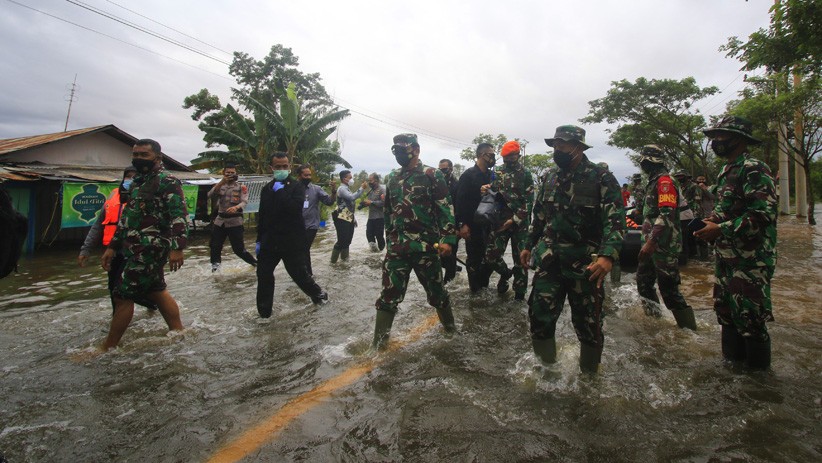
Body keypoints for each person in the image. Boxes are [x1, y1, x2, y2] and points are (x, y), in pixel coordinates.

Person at [519, 125, 624, 373]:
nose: (557, 149)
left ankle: (588, 380)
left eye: (563, 145)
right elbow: (540, 217)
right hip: (549, 260)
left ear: (578, 147)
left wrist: (608, 256)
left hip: (586, 264)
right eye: (555, 145)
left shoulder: (601, 177)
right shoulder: (548, 177)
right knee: (539, 317)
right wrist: (527, 246)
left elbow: (615, 221)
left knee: (589, 325)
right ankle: (548, 372)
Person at [694, 115, 777, 370]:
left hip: (751, 260)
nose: (717, 141)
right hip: (726, 257)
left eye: (722, 136)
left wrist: (721, 229)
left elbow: (763, 214)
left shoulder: (754, 168)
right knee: (727, 314)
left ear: (739, 139)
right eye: (714, 136)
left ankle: (760, 386)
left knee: (751, 320)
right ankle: (731, 375)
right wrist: (710, 222)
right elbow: (726, 208)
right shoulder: (726, 170)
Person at [372, 133, 457, 349]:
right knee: (388, 296)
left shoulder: (432, 174)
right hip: (397, 248)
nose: (398, 153)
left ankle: (451, 331)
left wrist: (448, 238)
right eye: (395, 150)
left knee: (437, 294)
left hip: (425, 247)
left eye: (402, 149)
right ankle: (378, 347)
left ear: (416, 150)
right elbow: (389, 211)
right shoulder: (392, 177)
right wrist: (389, 239)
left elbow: (445, 207)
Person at [100, 139, 187, 350]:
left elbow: (179, 215)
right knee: (156, 290)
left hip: (152, 246)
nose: (138, 159)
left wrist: (177, 248)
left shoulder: (168, 181)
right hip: (133, 245)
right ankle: (179, 333)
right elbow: (128, 217)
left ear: (158, 157)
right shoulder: (137, 181)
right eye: (136, 155)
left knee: (122, 294)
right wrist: (113, 246)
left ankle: (107, 348)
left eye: (144, 155)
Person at [256, 153, 328, 318]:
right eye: (278, 167)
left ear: (289, 167)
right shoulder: (266, 189)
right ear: (271, 168)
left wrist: (281, 192)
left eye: (285, 166)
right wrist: (259, 240)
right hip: (269, 241)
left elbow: (295, 209)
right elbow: (263, 216)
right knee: (263, 275)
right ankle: (264, 314)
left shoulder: (297, 187)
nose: (282, 169)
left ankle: (320, 295)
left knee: (299, 275)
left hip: (291, 241)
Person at [79, 166, 158, 312]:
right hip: (113, 250)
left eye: (135, 176)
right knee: (113, 286)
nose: (131, 179)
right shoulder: (113, 196)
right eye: (128, 176)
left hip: (137, 250)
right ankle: (118, 317)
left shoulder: (147, 196)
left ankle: (153, 305)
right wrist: (86, 249)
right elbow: (98, 225)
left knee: (128, 287)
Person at [635, 146, 697, 330]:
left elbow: (666, 214)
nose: (642, 164)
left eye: (644, 161)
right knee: (644, 283)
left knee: (669, 289)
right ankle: (655, 324)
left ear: (650, 161)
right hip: (650, 243)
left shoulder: (664, 182)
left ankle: (688, 333)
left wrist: (651, 241)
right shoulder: (653, 181)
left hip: (662, 244)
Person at [480, 140, 534, 300]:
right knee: (491, 255)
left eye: (510, 157)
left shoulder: (526, 173)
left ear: (517, 155)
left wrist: (515, 219)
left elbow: (529, 200)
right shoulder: (498, 172)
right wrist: (486, 189)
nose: (507, 160)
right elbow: (494, 191)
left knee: (521, 260)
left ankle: (519, 295)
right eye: (504, 157)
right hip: (500, 221)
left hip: (520, 223)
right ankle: (505, 274)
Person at [454, 143, 495, 293]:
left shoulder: (491, 175)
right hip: (472, 225)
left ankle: (484, 287)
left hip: (488, 224)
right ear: (481, 155)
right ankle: (475, 292)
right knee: (474, 258)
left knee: (491, 258)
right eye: (490, 155)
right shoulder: (468, 175)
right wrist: (462, 224)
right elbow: (459, 201)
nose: (493, 158)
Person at [207, 163, 257, 272]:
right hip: (220, 221)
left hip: (235, 221)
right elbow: (210, 195)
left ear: (236, 174)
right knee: (215, 246)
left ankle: (255, 264)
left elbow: (244, 201)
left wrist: (236, 207)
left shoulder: (241, 187)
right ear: (223, 173)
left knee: (238, 249)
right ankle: (215, 269)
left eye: (232, 173)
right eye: (227, 173)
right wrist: (222, 182)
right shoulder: (219, 186)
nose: (230, 174)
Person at [297, 164, 336, 277]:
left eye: (310, 175)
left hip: (311, 225)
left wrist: (333, 191)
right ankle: (304, 273)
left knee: (304, 248)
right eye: (306, 175)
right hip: (297, 225)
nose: (308, 177)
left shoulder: (316, 189)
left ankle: (307, 274)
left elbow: (329, 202)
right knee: (300, 250)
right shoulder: (293, 189)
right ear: (299, 176)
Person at [331, 170, 366, 263]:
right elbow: (352, 198)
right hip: (341, 217)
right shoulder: (342, 189)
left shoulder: (347, 188)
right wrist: (361, 188)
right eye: (350, 178)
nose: (352, 179)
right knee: (342, 240)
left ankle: (344, 263)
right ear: (344, 179)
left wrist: (353, 218)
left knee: (347, 241)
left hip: (348, 216)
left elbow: (350, 205)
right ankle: (333, 262)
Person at [438, 159, 460, 283]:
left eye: (444, 169)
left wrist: (458, 227)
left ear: (451, 169)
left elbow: (460, 207)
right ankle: (453, 268)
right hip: (438, 225)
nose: (442, 172)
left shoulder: (456, 185)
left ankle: (449, 285)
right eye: (440, 170)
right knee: (438, 256)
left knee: (450, 254)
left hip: (452, 225)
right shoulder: (437, 183)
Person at [673, 170, 703, 259]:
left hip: (692, 213)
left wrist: (696, 215)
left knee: (696, 236)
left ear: (686, 176)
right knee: (686, 236)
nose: (679, 178)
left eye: (681, 176)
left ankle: (698, 255)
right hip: (683, 214)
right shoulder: (680, 186)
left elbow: (698, 201)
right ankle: (690, 255)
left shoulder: (694, 186)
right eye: (677, 176)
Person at [362, 173, 386, 252]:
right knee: (369, 235)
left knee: (379, 236)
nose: (369, 182)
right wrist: (364, 204)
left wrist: (371, 202)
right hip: (371, 217)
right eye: (369, 180)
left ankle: (382, 253)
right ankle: (374, 253)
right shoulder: (371, 191)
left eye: (371, 180)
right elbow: (369, 202)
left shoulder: (382, 189)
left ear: (376, 180)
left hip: (379, 217)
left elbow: (384, 203)